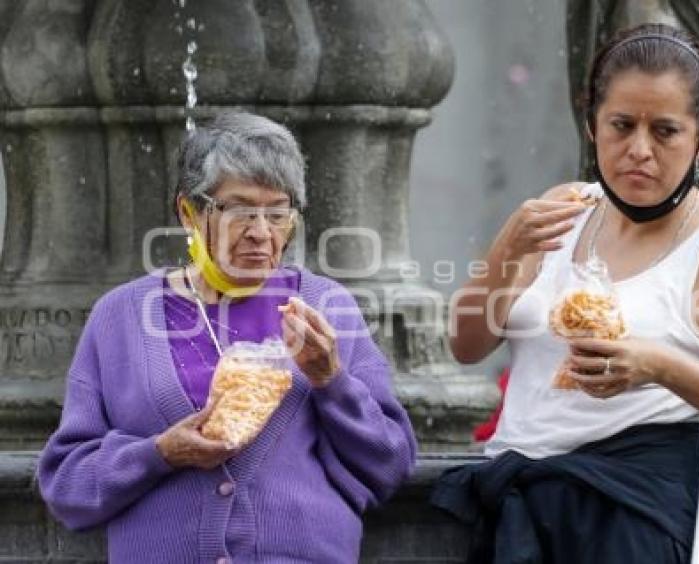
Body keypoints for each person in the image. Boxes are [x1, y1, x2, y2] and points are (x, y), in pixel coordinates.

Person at [433, 24, 699, 563]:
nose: (639, 150)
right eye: (622, 125)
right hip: (528, 514)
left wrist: (660, 367)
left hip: (641, 521)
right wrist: (505, 252)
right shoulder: (563, 209)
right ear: (591, 125)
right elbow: (465, 345)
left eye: (666, 131)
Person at [37, 112, 416, 563]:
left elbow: (391, 464)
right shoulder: (120, 317)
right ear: (189, 213)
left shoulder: (325, 307)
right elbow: (67, 485)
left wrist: (331, 380)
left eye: (277, 213)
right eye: (239, 210)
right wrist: (159, 453)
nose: (261, 232)